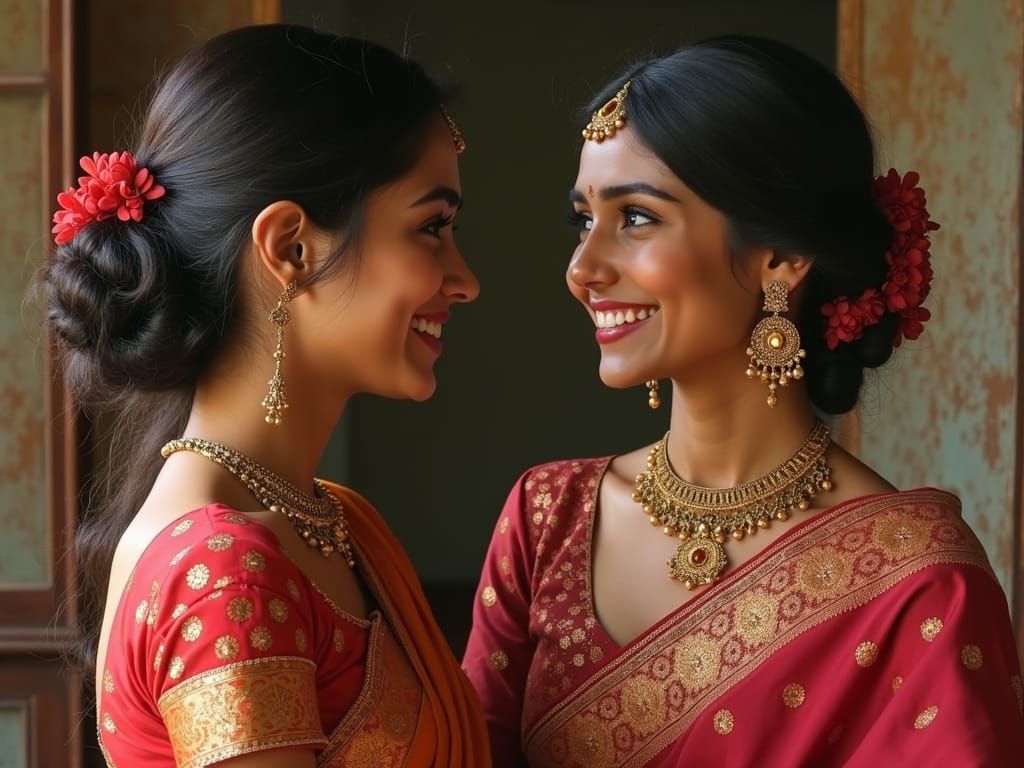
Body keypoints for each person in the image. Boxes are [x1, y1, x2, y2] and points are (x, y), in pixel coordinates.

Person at [463, 36, 1023, 767]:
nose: (583, 268)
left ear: (782, 256)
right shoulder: (548, 520)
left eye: (635, 217)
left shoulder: (917, 584)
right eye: (582, 219)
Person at [40, 24, 490, 768]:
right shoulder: (220, 570)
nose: (464, 278)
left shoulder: (339, 522)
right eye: (431, 228)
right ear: (290, 248)